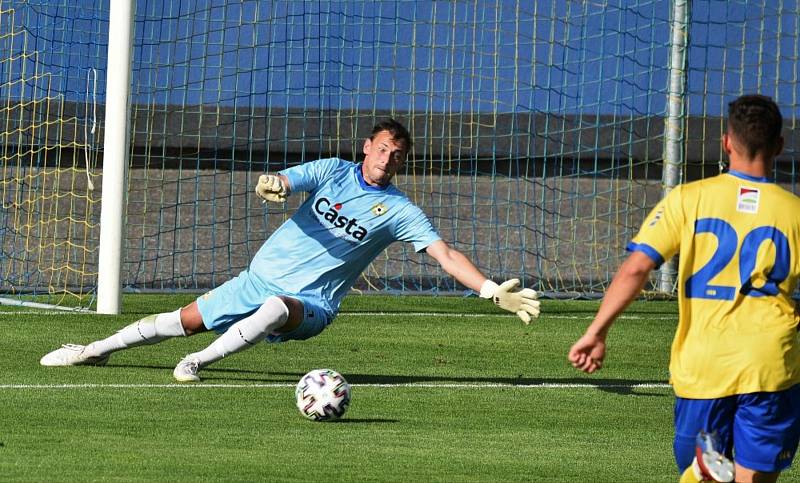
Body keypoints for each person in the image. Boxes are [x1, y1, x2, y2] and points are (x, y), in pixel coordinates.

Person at [41, 118, 540, 382]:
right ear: (367, 146)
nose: (388, 159)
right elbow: (284, 178)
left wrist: (490, 289)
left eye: (398, 155)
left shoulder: (401, 211)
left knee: (276, 309)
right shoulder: (332, 172)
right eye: (383, 148)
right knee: (178, 319)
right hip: (256, 280)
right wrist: (271, 182)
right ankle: (92, 351)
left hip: (312, 305)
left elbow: (445, 254)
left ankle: (196, 363)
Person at [568, 95, 800, 483]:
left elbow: (636, 268)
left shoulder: (689, 199)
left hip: (704, 362)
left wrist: (597, 331)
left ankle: (702, 472)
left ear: (726, 142)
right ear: (779, 146)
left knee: (702, 470)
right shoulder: (794, 211)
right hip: (770, 363)